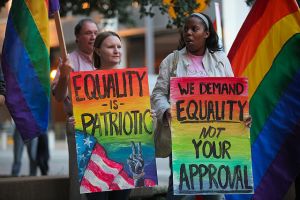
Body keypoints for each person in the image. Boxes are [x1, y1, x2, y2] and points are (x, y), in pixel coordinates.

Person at [151, 13, 241, 200]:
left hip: (214, 138)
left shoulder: (221, 60)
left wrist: (241, 117)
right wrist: (166, 110)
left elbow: (232, 96)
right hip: (182, 137)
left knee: (215, 193)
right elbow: (158, 94)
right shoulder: (172, 61)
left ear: (207, 33)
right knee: (180, 192)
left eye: (194, 29)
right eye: (186, 29)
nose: (188, 33)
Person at [52, 18, 98, 200]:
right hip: (79, 124)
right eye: (88, 33)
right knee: (81, 181)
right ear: (78, 37)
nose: (93, 36)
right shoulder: (68, 61)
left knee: (103, 177)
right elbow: (58, 96)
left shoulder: (103, 59)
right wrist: (64, 76)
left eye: (96, 32)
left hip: (106, 126)